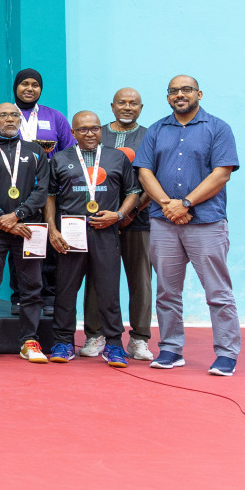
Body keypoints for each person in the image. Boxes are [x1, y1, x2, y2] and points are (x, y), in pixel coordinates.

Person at [136, 76, 240, 376]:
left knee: (218, 292)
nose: (179, 95)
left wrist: (185, 203)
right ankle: (170, 348)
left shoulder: (218, 128)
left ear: (199, 94)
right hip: (163, 223)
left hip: (206, 223)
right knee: (167, 291)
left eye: (186, 90)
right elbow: (144, 172)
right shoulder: (157, 129)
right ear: (168, 97)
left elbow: (222, 174)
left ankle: (226, 353)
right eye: (173, 91)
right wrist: (169, 205)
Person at [44, 111, 138, 367]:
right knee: (65, 289)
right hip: (70, 233)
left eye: (95, 128)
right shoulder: (60, 159)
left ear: (101, 130)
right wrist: (52, 230)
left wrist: (118, 215)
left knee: (108, 290)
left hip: (105, 232)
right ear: (73, 133)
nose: (90, 133)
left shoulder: (116, 157)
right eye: (83, 129)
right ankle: (63, 341)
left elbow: (132, 192)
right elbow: (50, 196)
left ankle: (114, 345)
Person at [0, 103, 50, 363]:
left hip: (27, 227)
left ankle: (29, 341)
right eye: (3, 116)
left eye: (14, 115)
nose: (10, 119)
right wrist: (1, 219)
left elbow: (42, 191)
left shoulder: (36, 151)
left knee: (32, 286)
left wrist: (17, 216)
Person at [83, 87, 154, 360]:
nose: (127, 107)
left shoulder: (150, 136)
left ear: (141, 107)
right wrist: (110, 216)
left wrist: (129, 212)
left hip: (139, 219)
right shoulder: (96, 132)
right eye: (122, 103)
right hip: (100, 220)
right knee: (97, 278)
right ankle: (95, 334)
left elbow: (152, 179)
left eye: (133, 103)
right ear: (112, 106)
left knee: (140, 280)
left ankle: (139, 338)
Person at [0, 69, 74, 155]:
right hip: (8, 170)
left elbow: (70, 151)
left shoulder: (55, 117)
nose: (30, 89)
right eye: (24, 84)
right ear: (16, 87)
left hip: (48, 171)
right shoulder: (0, 117)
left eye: (35, 85)